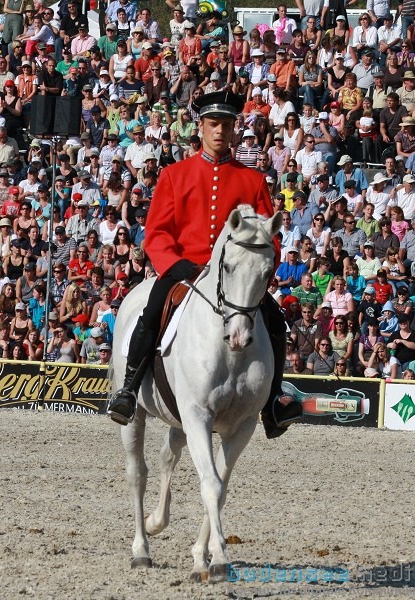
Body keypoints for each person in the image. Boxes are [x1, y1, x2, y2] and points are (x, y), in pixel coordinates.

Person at [106, 91, 302, 438]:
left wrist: (258, 272)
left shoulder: (252, 180)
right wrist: (174, 264)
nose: (220, 131)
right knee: (151, 311)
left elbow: (269, 238)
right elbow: (156, 232)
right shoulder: (174, 175)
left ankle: (273, 402)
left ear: (233, 129)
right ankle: (128, 389)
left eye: (226, 125)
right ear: (201, 127)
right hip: (185, 271)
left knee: (273, 320)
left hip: (234, 279)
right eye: (214, 124)